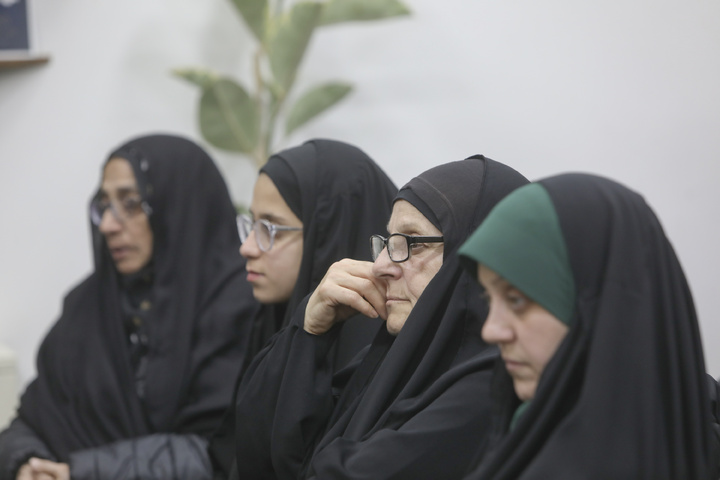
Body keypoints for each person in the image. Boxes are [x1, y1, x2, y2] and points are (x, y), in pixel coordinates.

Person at [232, 156, 528, 479]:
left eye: (410, 243)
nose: (380, 266)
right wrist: (309, 332)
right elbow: (265, 454)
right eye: (387, 243)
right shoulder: (386, 361)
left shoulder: (488, 393)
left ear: (471, 257)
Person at [0, 134, 260, 479]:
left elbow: (218, 452)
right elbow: (32, 419)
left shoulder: (240, 309)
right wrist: (27, 463)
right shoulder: (88, 305)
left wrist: (81, 472)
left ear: (178, 206)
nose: (108, 224)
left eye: (132, 204)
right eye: (104, 204)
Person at [458, 173, 715, 479]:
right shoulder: (523, 433)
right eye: (489, 299)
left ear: (598, 307)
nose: (491, 330)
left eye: (516, 300)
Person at [208, 138, 398, 476]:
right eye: (251, 225)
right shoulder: (272, 323)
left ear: (328, 233)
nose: (248, 248)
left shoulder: (385, 357)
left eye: (270, 229)